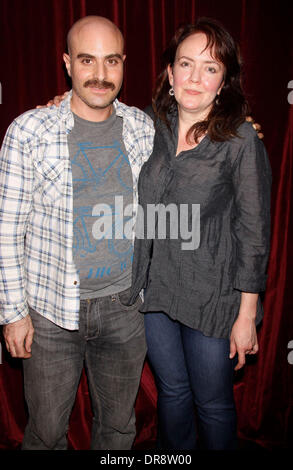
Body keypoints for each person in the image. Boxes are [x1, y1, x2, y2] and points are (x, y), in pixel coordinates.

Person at [0, 16, 154, 450]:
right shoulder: (29, 131)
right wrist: (13, 313)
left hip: (126, 308)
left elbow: (196, 140)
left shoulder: (143, 128)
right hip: (50, 312)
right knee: (46, 434)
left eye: (111, 62)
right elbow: (6, 229)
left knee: (119, 431)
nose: (100, 75)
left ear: (124, 64)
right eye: (87, 60)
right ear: (68, 64)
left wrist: (241, 130)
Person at [128, 18, 272, 450]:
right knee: (172, 394)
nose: (195, 77)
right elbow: (95, 114)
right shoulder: (147, 127)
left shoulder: (242, 139)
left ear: (224, 80)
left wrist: (247, 315)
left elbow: (254, 232)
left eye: (210, 68)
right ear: (169, 73)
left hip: (214, 298)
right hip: (154, 292)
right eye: (185, 64)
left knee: (211, 404)